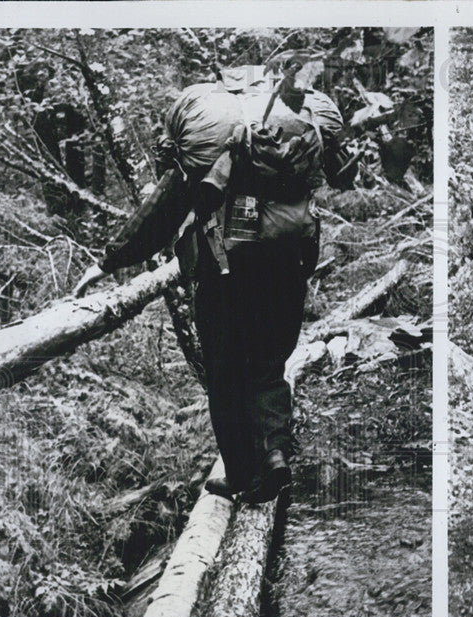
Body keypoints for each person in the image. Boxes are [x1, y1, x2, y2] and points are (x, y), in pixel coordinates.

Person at [75, 82, 357, 505]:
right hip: (286, 262)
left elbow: (158, 217)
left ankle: (240, 472)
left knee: (225, 372)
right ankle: (276, 454)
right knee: (267, 367)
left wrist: (106, 262)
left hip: (227, 271)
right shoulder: (288, 149)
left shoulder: (203, 156)